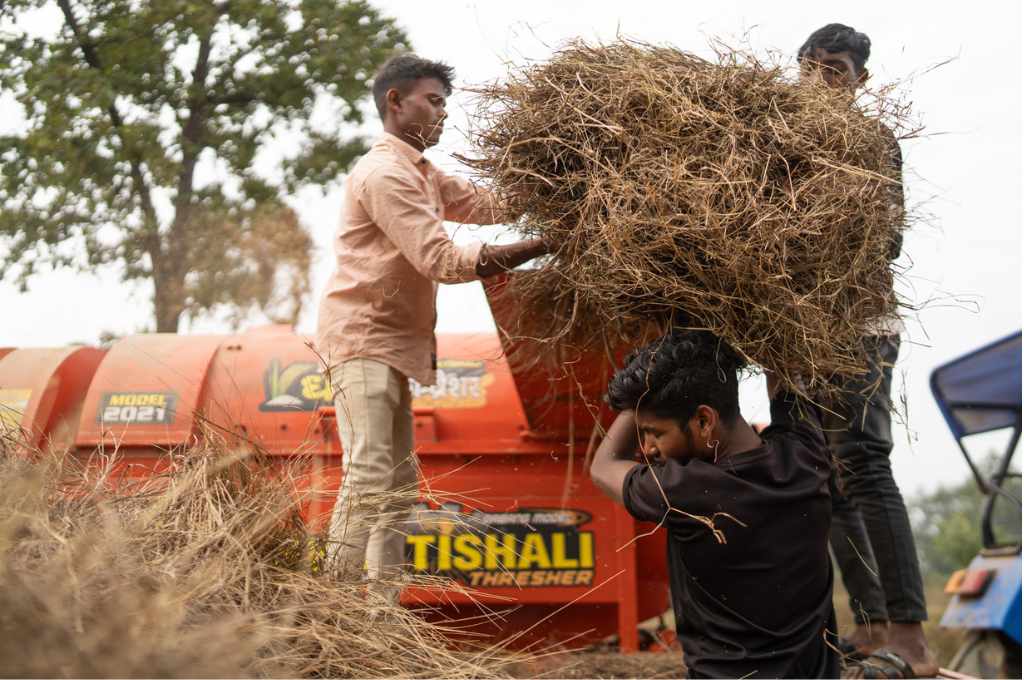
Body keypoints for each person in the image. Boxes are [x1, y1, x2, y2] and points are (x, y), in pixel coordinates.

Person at [316, 53, 548, 603]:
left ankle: (379, 618)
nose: (443, 115)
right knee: (371, 473)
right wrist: (544, 245)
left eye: (446, 104)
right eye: (433, 101)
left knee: (396, 486)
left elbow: (484, 202)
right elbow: (442, 260)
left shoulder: (423, 172)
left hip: (396, 342)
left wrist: (555, 186)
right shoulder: (384, 173)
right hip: (363, 337)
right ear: (395, 102)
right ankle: (331, 610)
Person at [799, 23, 938, 678]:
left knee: (864, 460)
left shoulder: (872, 143)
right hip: (801, 335)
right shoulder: (781, 144)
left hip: (862, 323)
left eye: (836, 71)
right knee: (826, 479)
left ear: (860, 82)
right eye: (811, 67)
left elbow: (885, 244)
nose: (821, 81)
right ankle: (871, 622)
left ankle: (910, 634)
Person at [590, 330, 839, 679]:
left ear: (705, 421)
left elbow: (604, 466)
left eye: (654, 432)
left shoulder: (687, 491)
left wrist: (645, 387)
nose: (646, 448)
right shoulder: (805, 458)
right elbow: (787, 373)